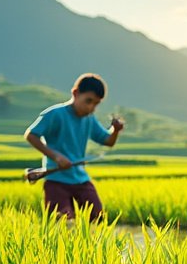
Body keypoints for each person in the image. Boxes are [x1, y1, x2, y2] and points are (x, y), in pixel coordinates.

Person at [24, 73, 124, 222]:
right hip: (56, 179)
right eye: (88, 101)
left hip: (80, 179)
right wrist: (56, 157)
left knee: (98, 218)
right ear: (75, 93)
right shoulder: (55, 114)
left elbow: (107, 141)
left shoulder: (89, 119)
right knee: (62, 222)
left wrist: (115, 130)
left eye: (96, 104)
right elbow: (31, 135)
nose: (91, 107)